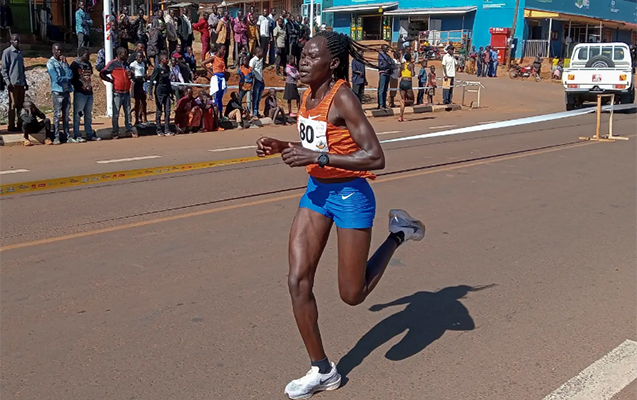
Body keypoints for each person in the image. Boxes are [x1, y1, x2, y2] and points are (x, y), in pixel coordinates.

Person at [255, 31, 425, 400]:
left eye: (310, 56)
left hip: (351, 196)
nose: (302, 61)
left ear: (331, 63)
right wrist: (284, 146)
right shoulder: (307, 94)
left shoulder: (343, 97)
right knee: (297, 281)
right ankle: (322, 370)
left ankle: (398, 233)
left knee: (352, 294)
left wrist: (317, 158)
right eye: (301, 55)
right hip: (317, 193)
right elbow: (320, 144)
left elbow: (375, 157)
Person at [100, 46, 135, 139]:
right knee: (116, 113)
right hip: (117, 93)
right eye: (125, 53)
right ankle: (115, 131)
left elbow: (131, 75)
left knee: (128, 113)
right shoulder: (112, 64)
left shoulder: (126, 64)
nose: (126, 55)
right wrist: (110, 80)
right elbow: (102, 73)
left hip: (126, 92)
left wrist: (131, 74)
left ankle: (129, 130)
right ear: (119, 54)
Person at [46, 43, 73, 144]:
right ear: (53, 51)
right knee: (57, 115)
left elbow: (71, 74)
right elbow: (56, 78)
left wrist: (66, 64)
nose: (59, 52)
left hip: (66, 91)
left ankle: (67, 135)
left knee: (66, 115)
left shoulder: (63, 62)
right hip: (57, 92)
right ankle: (56, 136)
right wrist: (67, 78)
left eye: (60, 50)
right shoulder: (50, 63)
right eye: (57, 50)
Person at [1, 34, 28, 133]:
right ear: (11, 41)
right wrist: (7, 82)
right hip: (12, 83)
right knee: (13, 105)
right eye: (15, 40)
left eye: (18, 40)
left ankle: (20, 124)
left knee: (21, 105)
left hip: (21, 82)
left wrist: (25, 82)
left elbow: (22, 68)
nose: (17, 42)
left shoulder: (20, 52)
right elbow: (4, 69)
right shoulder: (7, 52)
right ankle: (11, 125)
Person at [70, 47, 95, 142]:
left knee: (88, 114)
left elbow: (90, 75)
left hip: (89, 92)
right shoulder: (75, 65)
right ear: (81, 54)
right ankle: (77, 134)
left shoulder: (88, 64)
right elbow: (72, 79)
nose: (89, 56)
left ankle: (89, 133)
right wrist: (79, 87)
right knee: (78, 114)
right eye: (86, 54)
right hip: (80, 93)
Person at [149, 53, 174, 136]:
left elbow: (168, 81)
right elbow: (152, 80)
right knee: (159, 111)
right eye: (166, 58)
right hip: (159, 91)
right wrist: (150, 93)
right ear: (162, 60)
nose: (167, 60)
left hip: (167, 91)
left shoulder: (167, 68)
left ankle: (167, 129)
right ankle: (158, 129)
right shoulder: (157, 69)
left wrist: (171, 92)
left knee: (167, 111)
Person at [203, 44, 227, 114]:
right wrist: (212, 72)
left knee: (220, 98)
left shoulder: (222, 58)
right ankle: (215, 114)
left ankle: (220, 113)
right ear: (219, 49)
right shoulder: (213, 58)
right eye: (223, 49)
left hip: (222, 78)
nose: (224, 51)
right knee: (216, 98)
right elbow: (203, 63)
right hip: (217, 79)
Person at [129, 51, 149, 126]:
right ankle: (136, 119)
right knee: (137, 102)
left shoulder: (143, 64)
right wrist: (141, 77)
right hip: (136, 84)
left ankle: (144, 117)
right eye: (139, 57)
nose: (140, 58)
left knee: (143, 102)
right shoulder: (133, 65)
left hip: (142, 84)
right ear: (136, 57)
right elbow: (132, 76)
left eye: (141, 57)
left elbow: (144, 73)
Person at [398, 52, 415, 122]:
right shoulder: (411, 65)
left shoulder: (402, 65)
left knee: (402, 99)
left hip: (402, 81)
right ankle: (405, 103)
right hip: (408, 82)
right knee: (412, 99)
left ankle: (400, 116)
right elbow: (413, 74)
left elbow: (399, 75)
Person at [249, 48, 265, 118]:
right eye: (261, 51)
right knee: (255, 98)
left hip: (261, 80)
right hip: (256, 81)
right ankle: (254, 113)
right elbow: (251, 71)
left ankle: (257, 111)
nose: (263, 53)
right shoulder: (253, 61)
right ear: (258, 52)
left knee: (258, 98)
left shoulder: (261, 60)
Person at [377, 44, 391, 109]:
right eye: (386, 48)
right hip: (383, 73)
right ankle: (381, 104)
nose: (387, 49)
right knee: (381, 89)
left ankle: (384, 103)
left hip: (388, 73)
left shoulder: (388, 56)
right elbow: (382, 65)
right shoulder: (381, 55)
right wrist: (388, 65)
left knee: (385, 89)